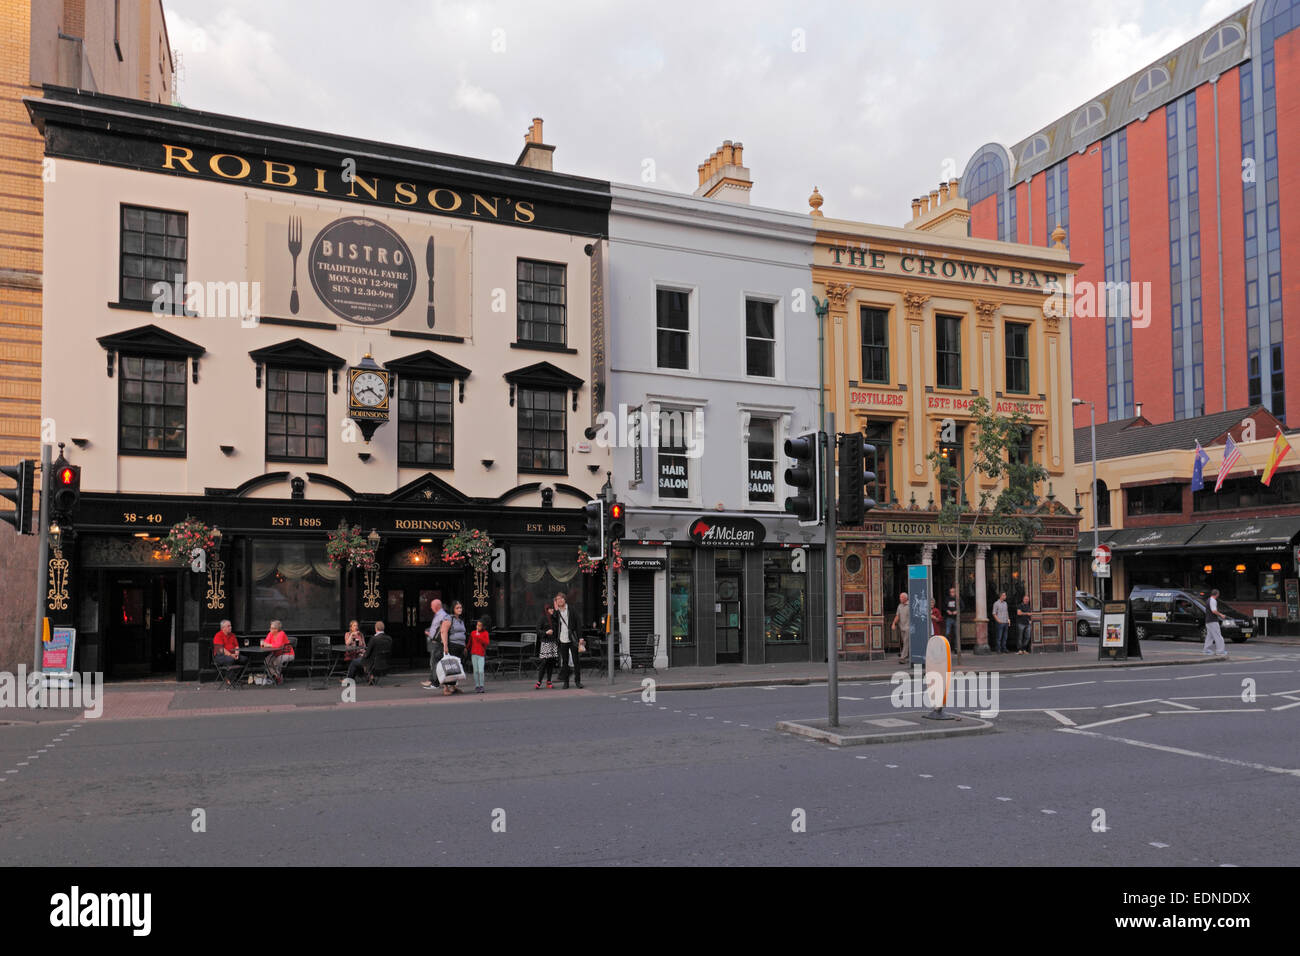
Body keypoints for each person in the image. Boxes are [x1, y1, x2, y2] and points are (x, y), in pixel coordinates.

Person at [552, 592, 582, 689]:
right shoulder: (557, 613)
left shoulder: (571, 610)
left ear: (565, 599)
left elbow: (578, 623)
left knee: (576, 661)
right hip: (562, 639)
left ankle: (578, 681)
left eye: (561, 598)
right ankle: (566, 682)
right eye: (557, 599)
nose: (560, 600)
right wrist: (555, 612)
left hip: (572, 639)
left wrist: (580, 637)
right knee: (564, 662)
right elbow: (554, 625)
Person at [421, 599, 451, 690]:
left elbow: (443, 630)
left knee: (436, 662)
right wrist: (430, 633)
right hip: (436, 642)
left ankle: (435, 683)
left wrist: (444, 644)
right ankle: (434, 681)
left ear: (436, 606)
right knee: (435, 662)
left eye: (431, 606)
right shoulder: (438, 615)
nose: (431, 607)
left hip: (439, 643)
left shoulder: (442, 615)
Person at [442, 601, 468, 695]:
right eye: (457, 608)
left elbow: (462, 634)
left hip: (460, 646)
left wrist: (464, 646)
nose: (460, 609)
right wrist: (445, 646)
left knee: (456, 668)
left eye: (460, 607)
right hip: (452, 645)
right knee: (449, 667)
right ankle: (445, 688)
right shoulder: (449, 618)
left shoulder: (460, 620)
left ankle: (453, 687)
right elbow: (444, 632)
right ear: (453, 609)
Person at [535, 602, 560, 689]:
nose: (552, 610)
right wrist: (546, 632)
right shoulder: (542, 618)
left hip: (553, 642)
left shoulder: (554, 618)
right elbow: (538, 630)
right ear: (547, 610)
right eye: (550, 609)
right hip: (545, 643)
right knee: (544, 662)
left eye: (553, 608)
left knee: (551, 662)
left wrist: (557, 611)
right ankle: (539, 681)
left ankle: (549, 681)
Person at [262, 619, 294, 684]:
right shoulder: (270, 634)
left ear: (276, 629)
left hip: (287, 654)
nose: (270, 629)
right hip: (276, 653)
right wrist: (268, 644)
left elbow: (278, 645)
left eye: (272, 628)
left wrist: (268, 645)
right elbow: (265, 642)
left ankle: (278, 678)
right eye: (270, 628)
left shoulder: (281, 634)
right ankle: (276, 676)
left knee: (277, 661)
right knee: (267, 661)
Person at [468, 618, 490, 694]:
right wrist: (466, 648)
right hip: (474, 654)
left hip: (481, 654)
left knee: (481, 671)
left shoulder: (485, 633)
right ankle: (477, 685)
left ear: (483, 626)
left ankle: (482, 685)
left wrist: (479, 637)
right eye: (477, 625)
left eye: (480, 625)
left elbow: (486, 642)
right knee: (476, 671)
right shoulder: (473, 633)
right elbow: (470, 643)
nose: (478, 627)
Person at [1205, 588, 1227, 658]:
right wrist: (1221, 615)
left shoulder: (1208, 600)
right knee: (1218, 636)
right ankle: (1220, 651)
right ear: (1217, 594)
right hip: (1213, 620)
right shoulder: (1213, 600)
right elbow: (1214, 611)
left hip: (1208, 620)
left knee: (1210, 636)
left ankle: (1206, 650)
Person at [892, 593, 910, 664]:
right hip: (902, 627)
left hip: (908, 627)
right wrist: (894, 623)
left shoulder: (910, 605)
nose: (900, 598)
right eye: (900, 597)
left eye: (901, 597)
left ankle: (903, 658)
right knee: (905, 642)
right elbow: (897, 616)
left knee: (906, 642)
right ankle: (908, 655)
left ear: (905, 598)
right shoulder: (899, 606)